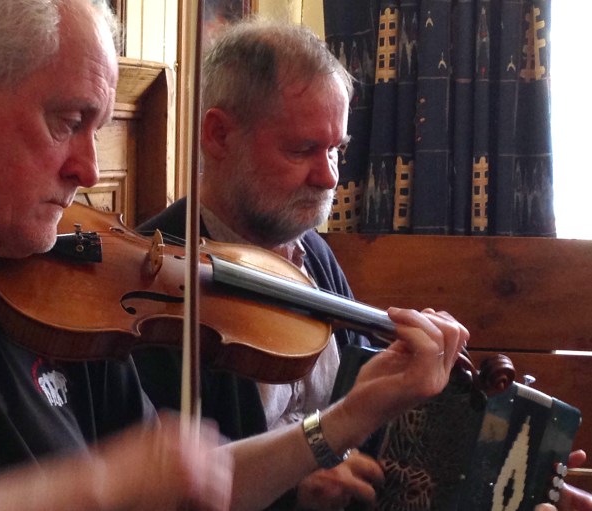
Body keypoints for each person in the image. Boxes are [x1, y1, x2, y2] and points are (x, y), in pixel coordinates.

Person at [0, 0, 472, 510]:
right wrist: (100, 484)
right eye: (68, 121)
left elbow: (198, 483)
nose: (88, 166)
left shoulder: (47, 280)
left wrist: (355, 411)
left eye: (99, 127)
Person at [134, 19, 592, 511]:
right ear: (219, 135)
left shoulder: (315, 255)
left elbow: (371, 433)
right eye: (303, 149)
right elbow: (158, 487)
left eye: (337, 149)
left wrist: (508, 481)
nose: (329, 175)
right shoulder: (152, 283)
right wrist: (292, 491)